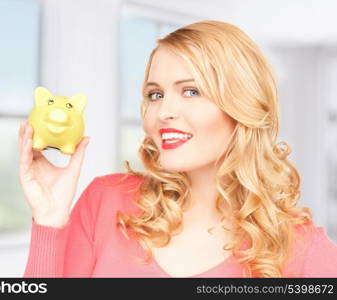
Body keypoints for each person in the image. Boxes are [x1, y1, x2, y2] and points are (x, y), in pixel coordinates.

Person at [19, 20, 337, 277]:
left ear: (242, 106)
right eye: (155, 95)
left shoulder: (303, 247)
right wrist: (48, 220)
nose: (164, 111)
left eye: (191, 91)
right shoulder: (106, 202)